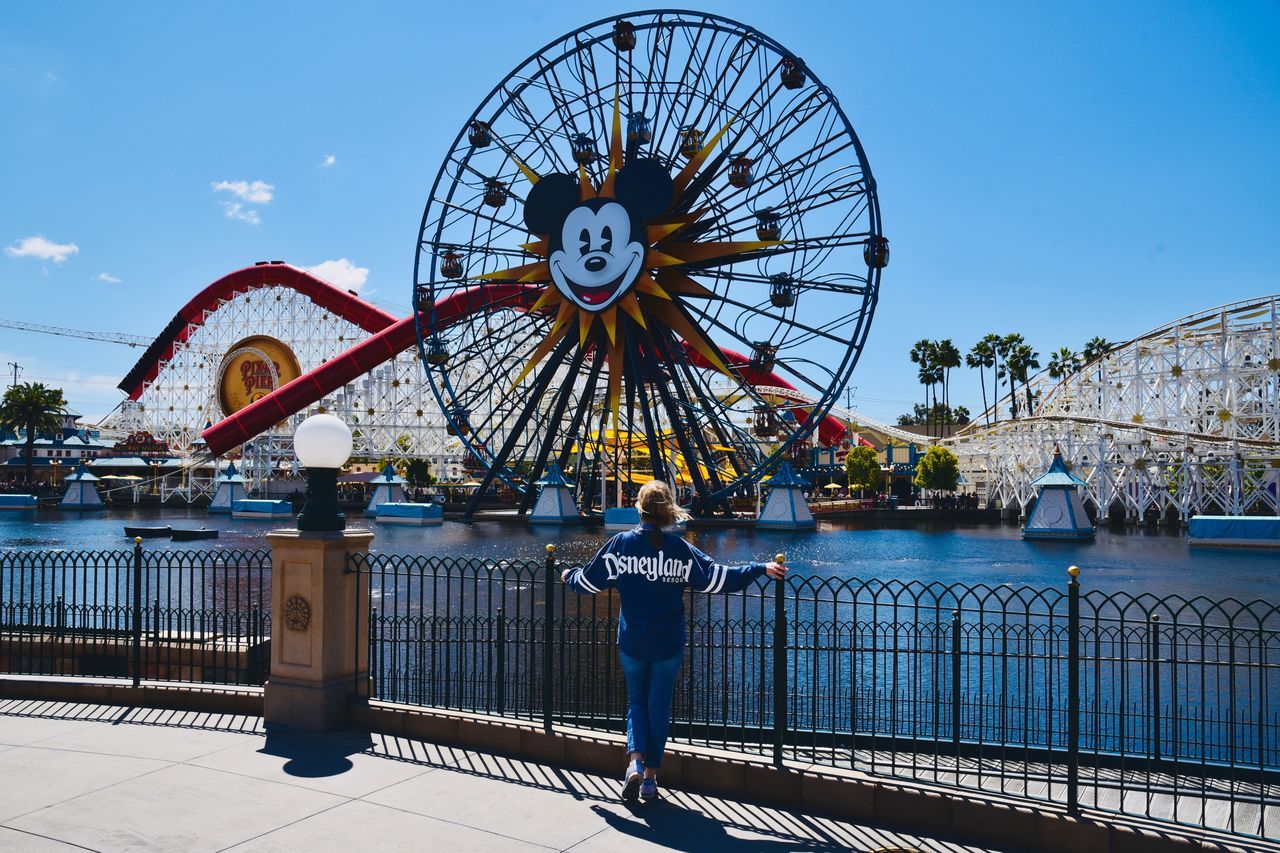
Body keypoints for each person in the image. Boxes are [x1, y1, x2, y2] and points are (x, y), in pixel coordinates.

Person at [561, 481, 786, 802]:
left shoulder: (621, 545)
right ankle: (651, 779)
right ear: (668, 511)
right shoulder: (680, 550)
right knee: (659, 707)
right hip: (668, 643)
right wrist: (759, 568)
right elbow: (717, 578)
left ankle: (634, 765)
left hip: (633, 641)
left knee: (637, 703)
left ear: (639, 509)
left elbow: (588, 583)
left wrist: (568, 576)